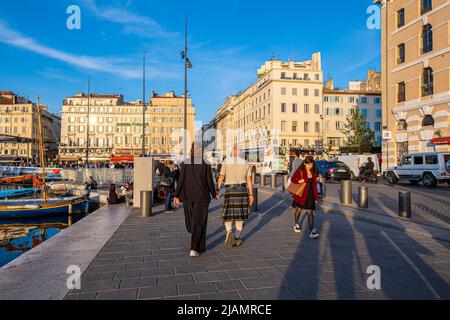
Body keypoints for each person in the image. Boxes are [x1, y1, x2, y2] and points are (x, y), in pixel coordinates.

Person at [173, 142, 217, 258]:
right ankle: (194, 248)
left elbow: (180, 180)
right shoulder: (205, 164)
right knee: (199, 222)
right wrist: (214, 193)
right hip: (202, 197)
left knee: (192, 222)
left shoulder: (186, 163)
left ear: (192, 150)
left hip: (187, 197)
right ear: (201, 151)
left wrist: (176, 196)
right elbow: (209, 182)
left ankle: (199, 246)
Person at [216, 144, 254, 248]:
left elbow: (221, 176)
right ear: (240, 152)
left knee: (228, 214)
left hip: (230, 190)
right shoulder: (246, 163)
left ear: (232, 152)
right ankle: (237, 238)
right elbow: (249, 180)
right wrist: (251, 194)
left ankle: (229, 231)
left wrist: (217, 190)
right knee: (240, 216)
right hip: (242, 190)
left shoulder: (226, 161)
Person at [291, 156, 320, 239]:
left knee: (310, 212)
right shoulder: (300, 171)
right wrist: (299, 181)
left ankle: (311, 231)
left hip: (310, 195)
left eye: (311, 164)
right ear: (305, 163)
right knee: (299, 209)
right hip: (301, 194)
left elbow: (314, 186)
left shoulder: (313, 173)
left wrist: (316, 198)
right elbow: (293, 179)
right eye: (309, 164)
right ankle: (296, 223)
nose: (310, 166)